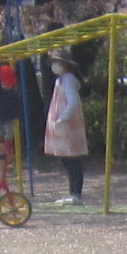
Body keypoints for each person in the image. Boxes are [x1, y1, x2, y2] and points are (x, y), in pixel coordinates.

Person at [43, 55, 90, 204]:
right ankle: (73, 192)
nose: (54, 65)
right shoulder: (60, 80)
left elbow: (73, 101)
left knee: (73, 160)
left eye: (57, 62)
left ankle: (76, 193)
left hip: (68, 124)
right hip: (61, 125)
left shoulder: (69, 79)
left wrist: (63, 118)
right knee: (67, 160)